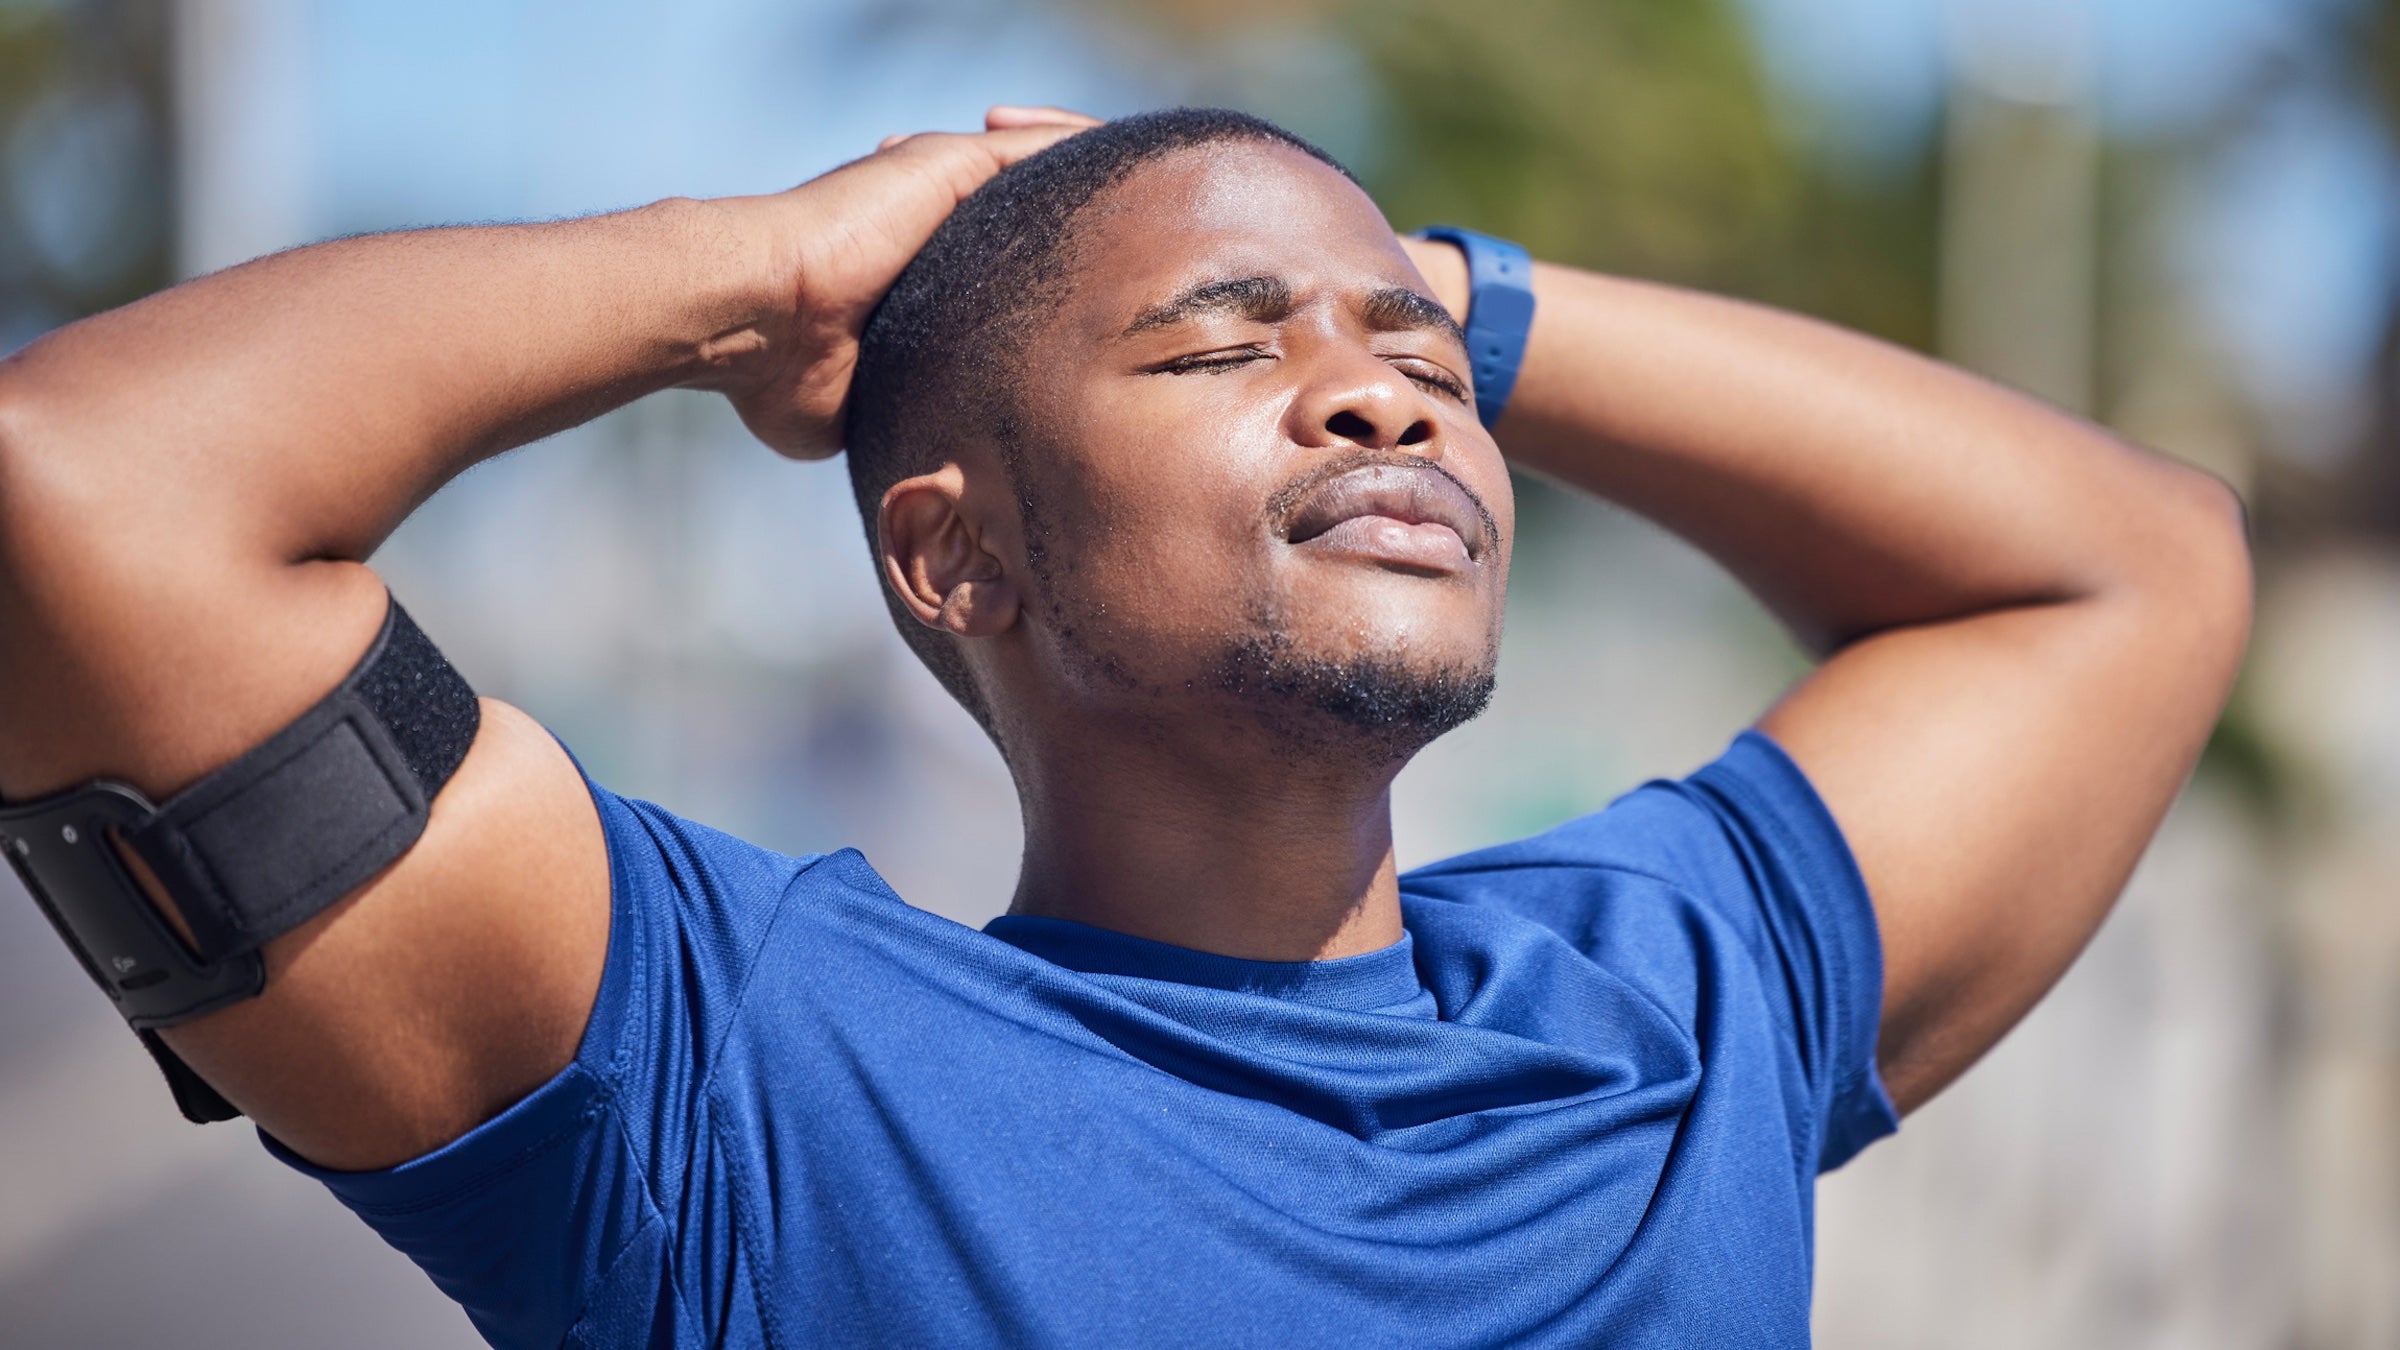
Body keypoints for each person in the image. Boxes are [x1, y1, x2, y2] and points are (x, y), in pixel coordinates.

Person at [0, 105, 2249, 1348]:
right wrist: (766, 275)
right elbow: (87, 491)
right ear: (952, 559)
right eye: (1214, 348)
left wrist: (1458, 288)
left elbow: (2135, 563)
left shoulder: (1670, 996)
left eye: (1417, 364)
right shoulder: (730, 1077)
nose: (1383, 389)